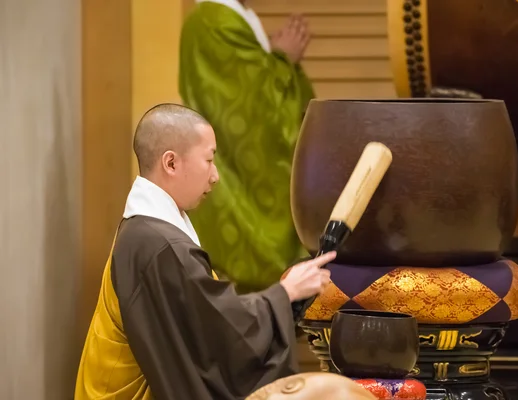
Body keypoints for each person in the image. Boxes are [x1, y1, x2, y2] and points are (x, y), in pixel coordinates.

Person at [74, 103, 335, 400]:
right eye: (209, 160)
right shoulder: (158, 244)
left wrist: (285, 301)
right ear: (171, 163)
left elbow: (201, 321)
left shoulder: (147, 231)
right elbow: (216, 330)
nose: (215, 176)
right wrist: (284, 294)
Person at [178, 0, 315, 292]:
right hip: (233, 191)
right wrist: (280, 59)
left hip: (235, 186)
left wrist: (278, 61)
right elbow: (255, 113)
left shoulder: (233, 16)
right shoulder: (212, 21)